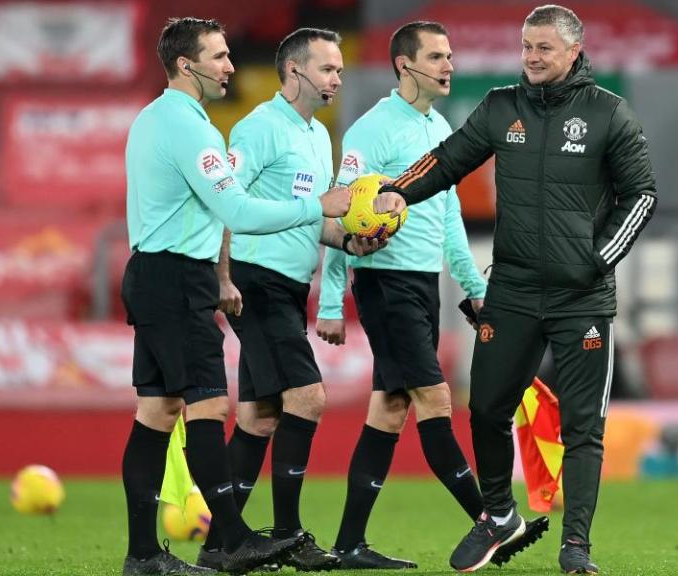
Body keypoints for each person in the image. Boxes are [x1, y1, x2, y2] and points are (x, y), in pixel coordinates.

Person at [374, 5, 658, 574]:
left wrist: (596, 260)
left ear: (574, 52)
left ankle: (575, 547)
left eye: (543, 48)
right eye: (527, 46)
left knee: (584, 428)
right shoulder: (501, 106)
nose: (530, 57)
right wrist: (397, 191)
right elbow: (447, 161)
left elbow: (643, 195)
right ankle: (500, 515)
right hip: (514, 291)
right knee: (485, 409)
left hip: (583, 300)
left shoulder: (609, 114)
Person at [120, 17, 353, 576]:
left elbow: (211, 212)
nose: (231, 66)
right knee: (209, 405)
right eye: (220, 57)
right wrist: (316, 205)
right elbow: (239, 212)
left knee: (157, 411)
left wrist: (223, 275)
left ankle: (144, 554)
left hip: (160, 273)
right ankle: (231, 537)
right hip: (176, 279)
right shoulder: (191, 128)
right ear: (185, 64)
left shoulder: (157, 118)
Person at [314, 21, 549, 570]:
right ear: (404, 64)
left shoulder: (440, 126)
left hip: (422, 283)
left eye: (450, 55)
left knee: (390, 409)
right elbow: (342, 213)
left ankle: (349, 544)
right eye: (438, 56)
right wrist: (329, 301)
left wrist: (473, 287)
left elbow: (447, 222)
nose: (449, 65)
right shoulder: (370, 132)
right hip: (385, 283)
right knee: (435, 400)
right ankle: (493, 521)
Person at [197, 28, 382, 572]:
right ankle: (290, 535)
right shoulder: (259, 128)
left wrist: (349, 240)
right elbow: (224, 202)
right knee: (308, 398)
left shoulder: (317, 135)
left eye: (340, 70)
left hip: (288, 285)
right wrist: (223, 277)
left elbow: (309, 218)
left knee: (258, 417)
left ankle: (218, 549)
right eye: (328, 69)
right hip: (256, 281)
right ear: (296, 72)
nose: (337, 78)